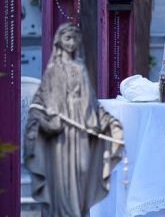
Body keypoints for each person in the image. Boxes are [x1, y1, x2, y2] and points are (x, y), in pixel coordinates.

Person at [25, 23, 123, 217]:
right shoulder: (52, 72)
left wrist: (109, 124)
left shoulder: (80, 70)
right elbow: (38, 105)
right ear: (59, 42)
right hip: (59, 140)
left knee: (81, 183)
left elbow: (92, 105)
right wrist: (45, 121)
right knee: (61, 187)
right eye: (67, 38)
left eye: (74, 38)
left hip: (80, 137)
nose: (71, 43)